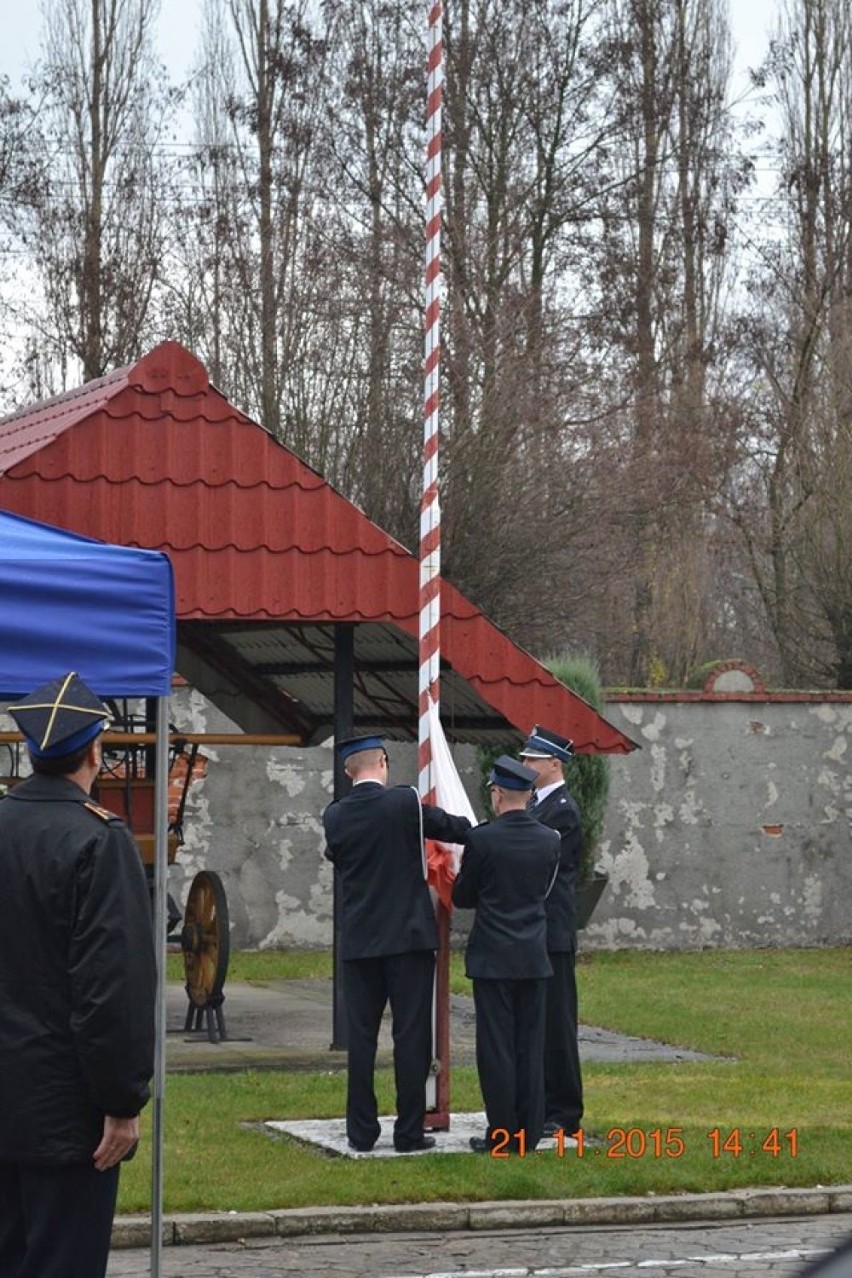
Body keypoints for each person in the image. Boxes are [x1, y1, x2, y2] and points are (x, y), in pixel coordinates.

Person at [0, 672, 156, 1278]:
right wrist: (121, 1101)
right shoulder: (98, 838)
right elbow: (111, 989)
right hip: (66, 1112)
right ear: (96, 751)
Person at [322, 734, 472, 1154]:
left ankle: (361, 1132)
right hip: (407, 939)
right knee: (411, 1036)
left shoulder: (334, 816)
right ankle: (408, 1132)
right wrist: (476, 830)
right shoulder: (405, 802)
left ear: (348, 771)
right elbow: (446, 826)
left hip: (360, 941)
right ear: (383, 762)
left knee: (362, 1038)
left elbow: (337, 856)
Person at [452, 755, 560, 1154]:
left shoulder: (481, 839)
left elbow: (463, 896)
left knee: (496, 1047)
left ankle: (502, 1133)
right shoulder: (550, 839)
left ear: (497, 794)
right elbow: (544, 892)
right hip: (532, 954)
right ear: (530, 796)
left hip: (493, 957)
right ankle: (529, 1133)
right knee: (530, 1045)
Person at [519, 724, 584, 1138]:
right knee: (538, 1024)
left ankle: (564, 1112)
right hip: (537, 932)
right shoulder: (534, 806)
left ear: (553, 763)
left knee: (557, 1026)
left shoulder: (560, 810)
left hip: (553, 933)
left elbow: (543, 864)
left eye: (532, 759)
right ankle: (541, 1104)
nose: (525, 765)